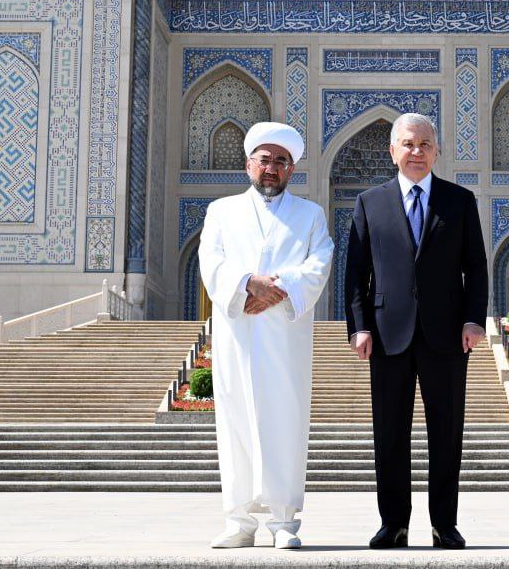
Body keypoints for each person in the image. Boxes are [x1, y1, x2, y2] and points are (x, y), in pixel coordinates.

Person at [344, 112, 488, 550]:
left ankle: (444, 524)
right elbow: (356, 274)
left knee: (446, 433)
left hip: (446, 335)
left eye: (425, 144)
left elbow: (476, 267)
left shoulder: (459, 201)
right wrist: (359, 327)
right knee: (389, 434)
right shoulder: (370, 202)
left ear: (437, 150)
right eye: (408, 144)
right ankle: (395, 524)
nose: (416, 152)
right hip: (387, 336)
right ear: (393, 150)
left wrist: (473, 319)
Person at [198, 121, 334, 549]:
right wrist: (245, 284)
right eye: (264, 160)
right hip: (238, 332)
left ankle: (283, 523)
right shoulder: (221, 211)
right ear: (248, 165)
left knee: (285, 422)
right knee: (234, 420)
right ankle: (239, 521)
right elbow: (211, 261)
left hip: (284, 337)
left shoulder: (310, 214)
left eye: (281, 162)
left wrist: (275, 288)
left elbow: (320, 262)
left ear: (291, 169)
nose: (271, 168)